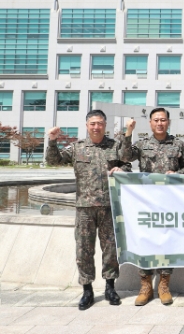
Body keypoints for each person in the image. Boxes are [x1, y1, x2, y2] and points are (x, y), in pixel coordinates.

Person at [45, 110, 131, 310]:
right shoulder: (77, 148)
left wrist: (122, 169)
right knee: (84, 250)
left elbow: (127, 165)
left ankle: (110, 288)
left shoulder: (115, 146)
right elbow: (54, 160)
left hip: (109, 206)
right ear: (86, 125)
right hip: (85, 208)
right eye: (92, 123)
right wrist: (52, 141)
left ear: (105, 124)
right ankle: (87, 290)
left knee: (110, 249)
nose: (96, 127)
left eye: (99, 123)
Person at [120, 107, 184, 306]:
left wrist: (177, 173)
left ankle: (164, 284)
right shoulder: (142, 144)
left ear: (168, 122)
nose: (160, 123)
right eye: (156, 120)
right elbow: (125, 157)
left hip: (170, 203)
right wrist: (128, 133)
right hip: (146, 203)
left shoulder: (178, 144)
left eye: (163, 120)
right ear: (150, 123)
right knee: (145, 241)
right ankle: (145, 286)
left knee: (167, 241)